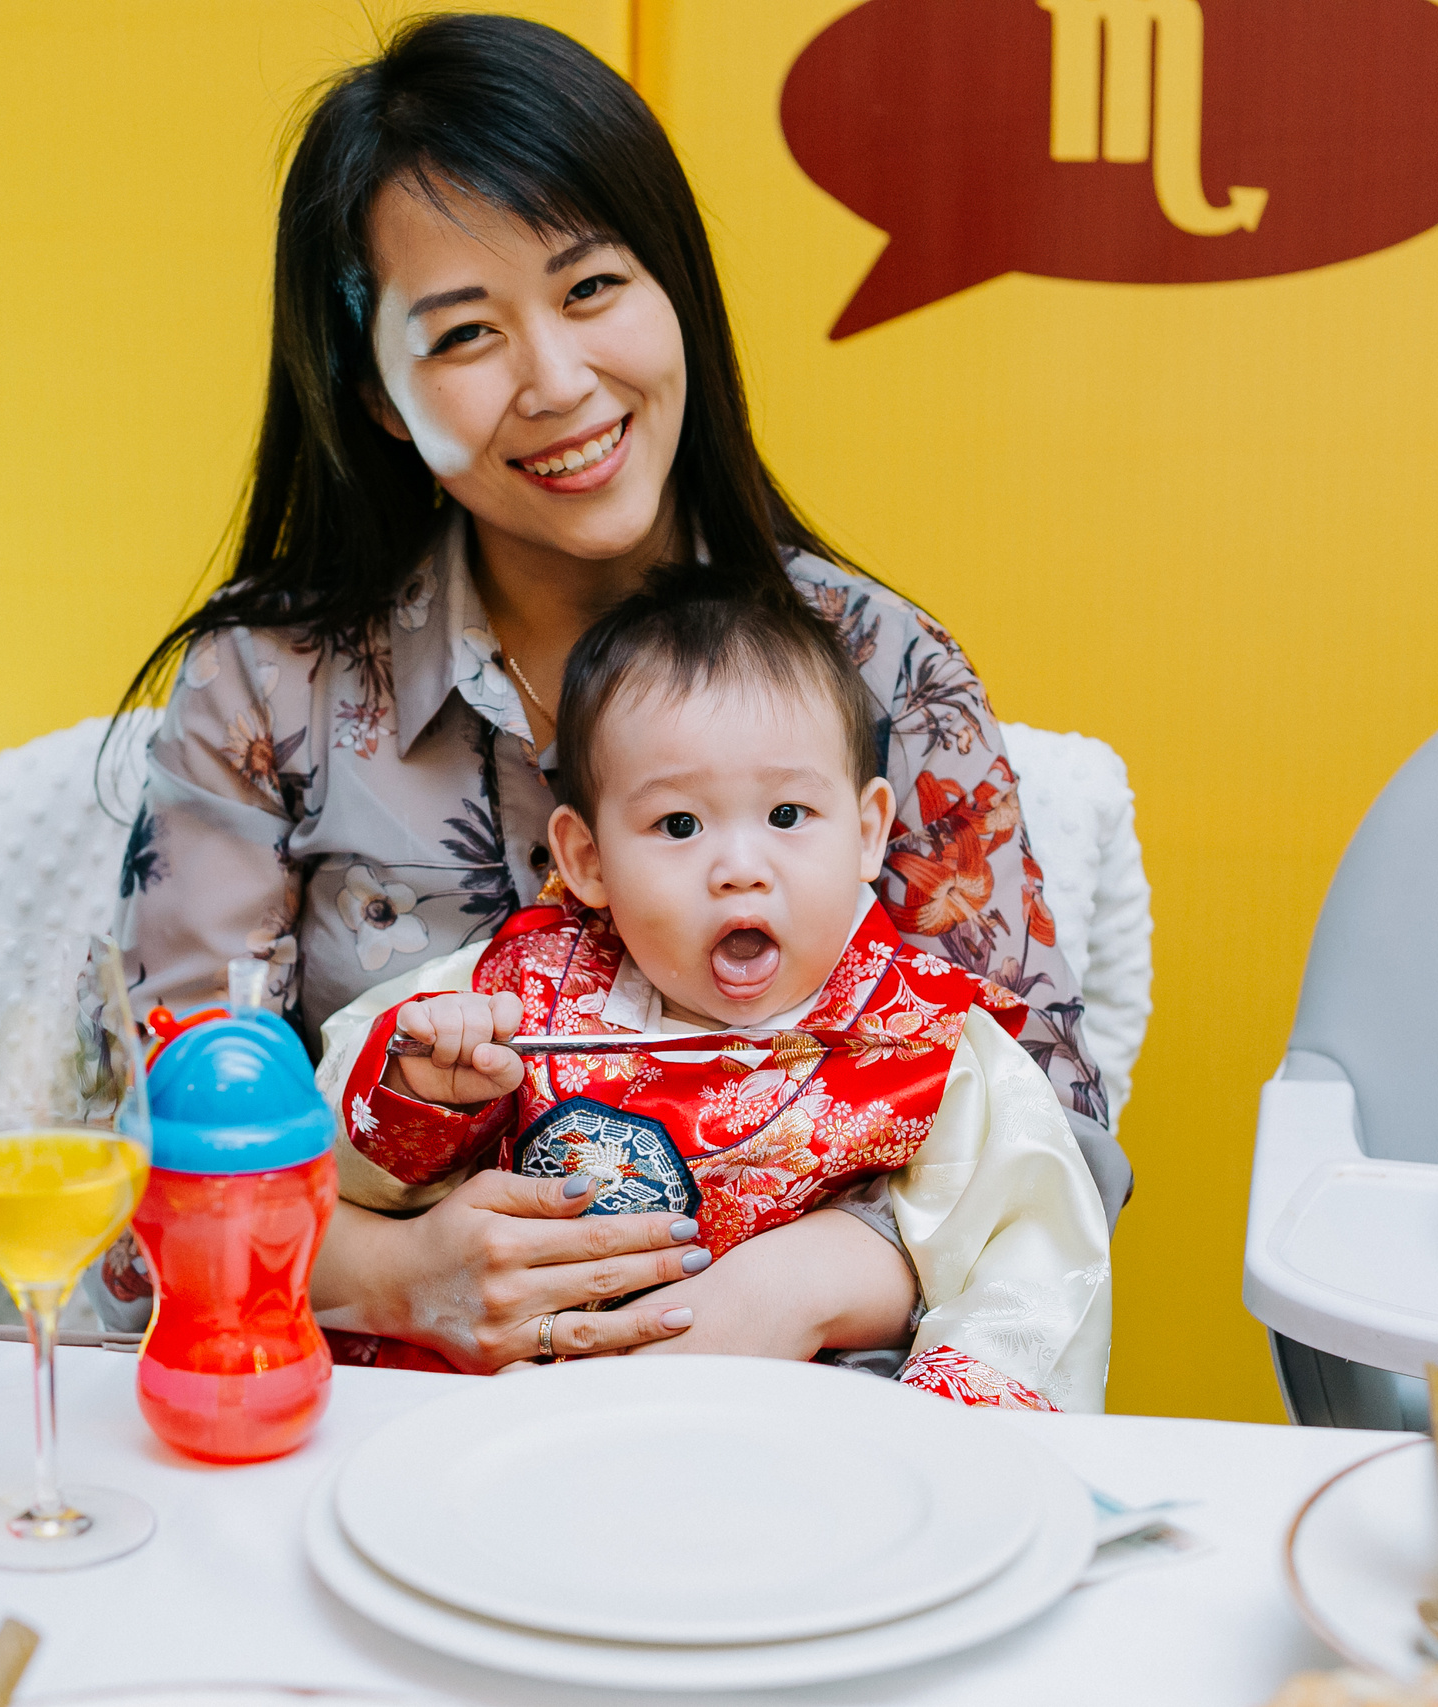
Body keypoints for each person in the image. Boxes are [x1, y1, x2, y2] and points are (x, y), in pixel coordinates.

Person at [109, 12, 1130, 1372]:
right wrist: (399, 1271)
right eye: (466, 332)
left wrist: (827, 1276)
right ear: (374, 392)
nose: (559, 381)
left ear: (676, 286)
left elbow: (1061, 1143)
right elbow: (137, 1180)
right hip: (391, 1443)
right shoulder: (266, 689)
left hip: (815, 1453)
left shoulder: (879, 663)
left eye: (592, 289)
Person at [316, 586, 1111, 1411]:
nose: (740, 865)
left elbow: (1033, 1259)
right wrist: (421, 1093)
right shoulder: (514, 991)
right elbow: (324, 1152)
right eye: (680, 825)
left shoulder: (932, 1042)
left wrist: (924, 1435)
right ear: (587, 858)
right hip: (524, 1418)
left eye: (787, 812)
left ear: (869, 831)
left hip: (812, 1446)